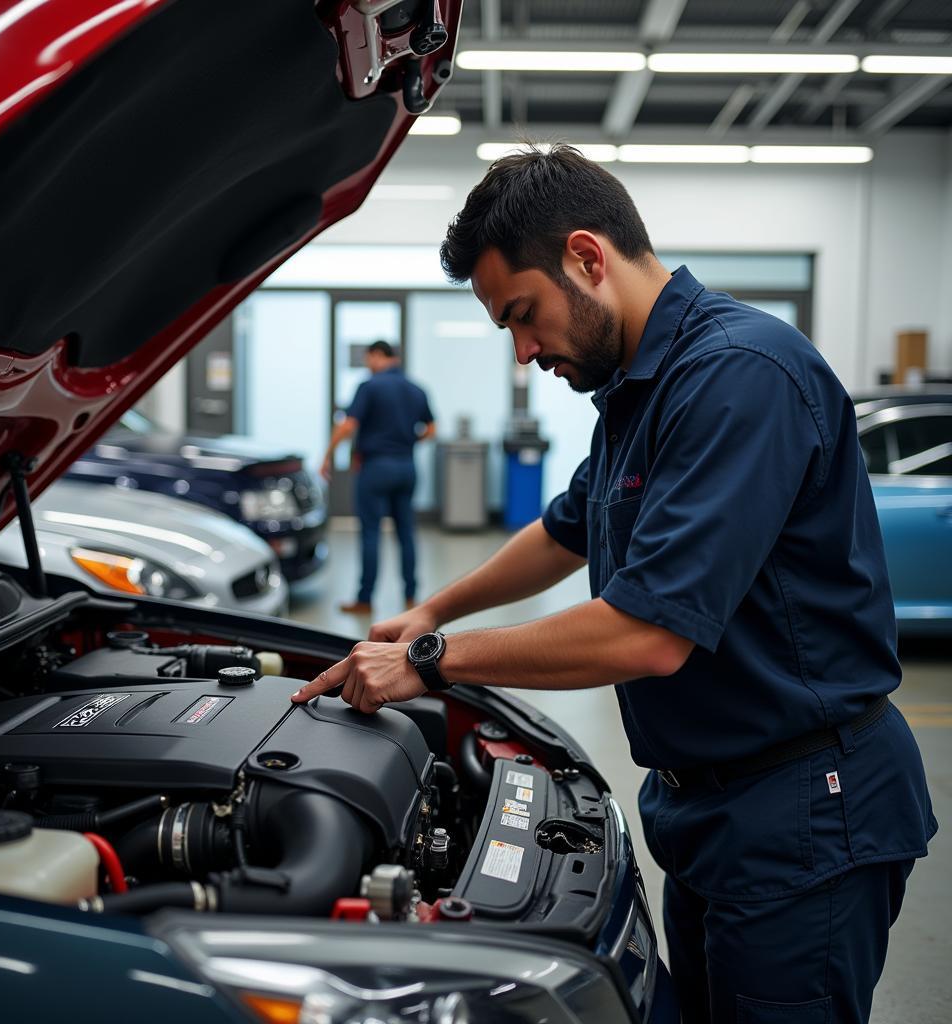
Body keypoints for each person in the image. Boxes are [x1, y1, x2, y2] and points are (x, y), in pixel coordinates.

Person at [297, 146, 937, 1022]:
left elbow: (646, 634)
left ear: (587, 258)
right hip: (709, 806)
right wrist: (434, 608)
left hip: (803, 809)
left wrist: (435, 660)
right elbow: (565, 530)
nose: (524, 352)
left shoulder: (738, 375)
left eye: (523, 315)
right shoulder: (639, 390)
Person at [320, 340, 435, 614]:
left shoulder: (369, 386)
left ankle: (364, 599)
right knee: (406, 532)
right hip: (406, 467)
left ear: (377, 355)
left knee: (371, 532)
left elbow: (348, 424)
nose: (366, 364)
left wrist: (326, 455)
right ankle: (410, 597)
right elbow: (431, 429)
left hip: (375, 468)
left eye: (367, 358)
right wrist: (406, 443)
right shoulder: (416, 388)